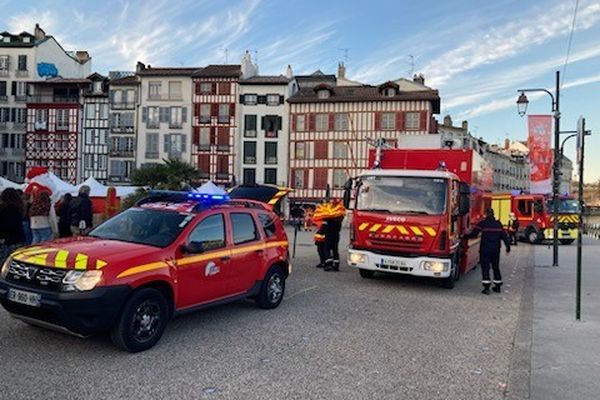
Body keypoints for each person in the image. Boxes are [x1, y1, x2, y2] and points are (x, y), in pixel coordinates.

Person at [465, 208, 511, 294]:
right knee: (495, 267)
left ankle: (486, 288)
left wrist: (463, 237)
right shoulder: (498, 224)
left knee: (485, 267)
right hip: (495, 250)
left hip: (485, 249)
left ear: (485, 214)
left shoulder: (483, 223)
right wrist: (508, 248)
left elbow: (474, 234)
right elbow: (504, 237)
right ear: (493, 214)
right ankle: (497, 286)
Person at [0, 188, 26, 263]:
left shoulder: (6, 208)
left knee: (5, 262)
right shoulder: (18, 208)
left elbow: (6, 225)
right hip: (17, 239)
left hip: (7, 240)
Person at [323, 199, 346, 272]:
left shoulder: (329, 216)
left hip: (329, 233)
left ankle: (328, 264)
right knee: (335, 249)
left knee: (327, 249)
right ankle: (336, 265)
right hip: (336, 234)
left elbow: (324, 218)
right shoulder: (340, 215)